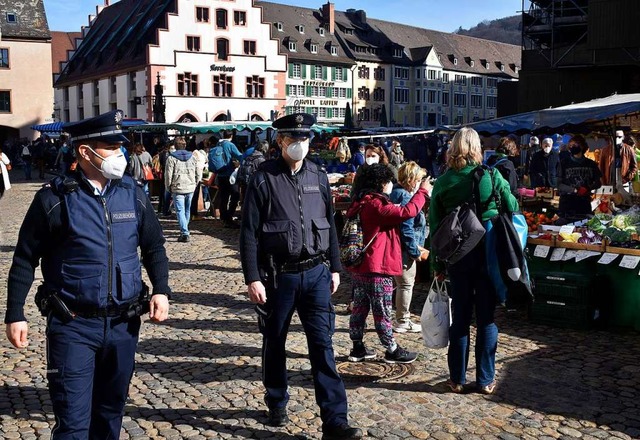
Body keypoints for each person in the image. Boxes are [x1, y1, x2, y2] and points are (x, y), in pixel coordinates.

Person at [4, 109, 170, 439]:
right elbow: (24, 259)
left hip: (124, 325)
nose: (119, 154)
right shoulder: (53, 199)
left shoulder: (133, 193)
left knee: (110, 415)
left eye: (120, 146)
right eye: (111, 147)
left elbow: (154, 247)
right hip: (73, 326)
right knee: (74, 423)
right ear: (85, 152)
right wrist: (15, 313)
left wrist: (161, 289)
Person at [240, 113, 362, 440]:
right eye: (294, 139)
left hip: (316, 274)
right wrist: (252, 277)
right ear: (280, 141)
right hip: (278, 277)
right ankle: (276, 397)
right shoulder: (263, 179)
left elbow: (330, 227)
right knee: (275, 341)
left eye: (305, 139)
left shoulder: (318, 176)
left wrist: (335, 267)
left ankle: (335, 421)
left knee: (322, 346)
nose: (300, 145)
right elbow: (249, 233)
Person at [429, 127, 519, 395]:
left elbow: (435, 227)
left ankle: (456, 379)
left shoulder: (444, 182)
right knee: (486, 317)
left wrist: (437, 265)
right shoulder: (492, 175)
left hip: (458, 256)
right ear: (478, 148)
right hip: (489, 252)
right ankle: (485, 380)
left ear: (453, 148)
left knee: (461, 318)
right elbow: (513, 206)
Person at [345, 163, 430, 366]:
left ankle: (357, 347)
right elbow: (407, 212)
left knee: (360, 308)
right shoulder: (375, 204)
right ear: (381, 183)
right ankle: (392, 349)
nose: (391, 184)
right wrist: (423, 192)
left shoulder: (361, 201)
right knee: (382, 310)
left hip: (362, 267)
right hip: (376, 267)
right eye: (388, 181)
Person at [389, 161, 431, 333]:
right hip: (405, 250)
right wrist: (414, 252)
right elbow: (406, 229)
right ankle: (402, 319)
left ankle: (398, 318)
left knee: (399, 284)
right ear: (412, 179)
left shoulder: (396, 193)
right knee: (405, 285)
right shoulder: (404, 196)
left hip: (398, 248)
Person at [165, 136, 202, 242]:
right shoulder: (192, 157)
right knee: (187, 209)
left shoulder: (171, 158)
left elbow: (168, 175)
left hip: (178, 187)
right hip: (190, 187)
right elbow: (198, 172)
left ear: (175, 146)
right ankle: (185, 229)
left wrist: (168, 187)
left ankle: (184, 232)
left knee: (180, 210)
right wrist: (195, 183)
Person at [558, 134, 602, 219]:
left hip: (584, 203)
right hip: (567, 203)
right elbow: (558, 184)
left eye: (575, 145)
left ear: (582, 146)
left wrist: (588, 188)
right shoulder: (563, 163)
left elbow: (598, 183)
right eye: (570, 146)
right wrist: (574, 190)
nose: (572, 147)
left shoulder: (591, 164)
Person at [213, 130, 243, 228]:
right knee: (235, 195)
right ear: (231, 136)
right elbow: (240, 156)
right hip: (229, 174)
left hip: (220, 175)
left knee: (224, 197)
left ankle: (223, 217)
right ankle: (229, 217)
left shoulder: (218, 144)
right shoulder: (230, 145)